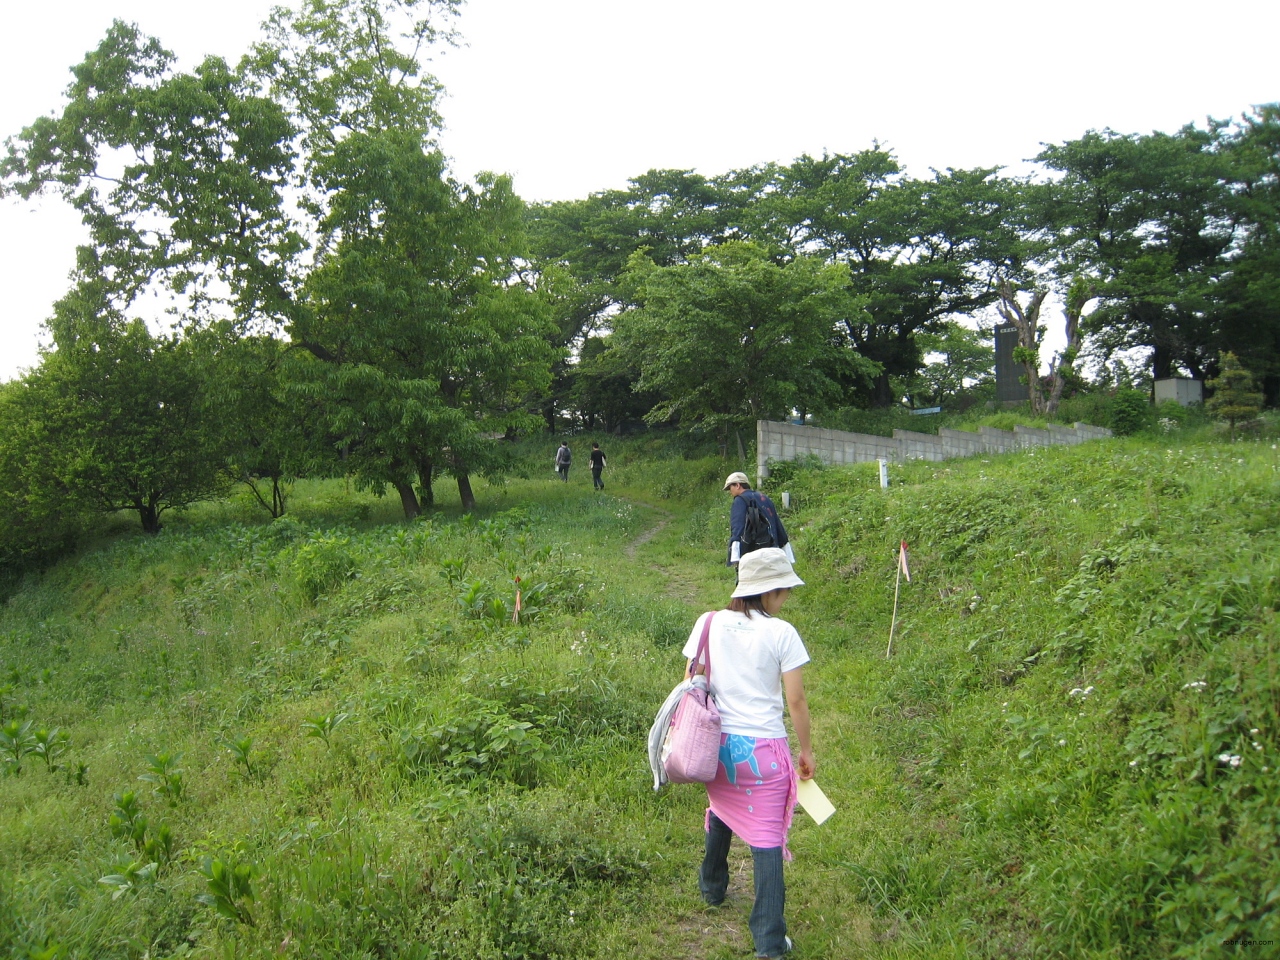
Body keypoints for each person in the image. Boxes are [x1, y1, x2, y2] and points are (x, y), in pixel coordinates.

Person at [682, 547, 813, 960]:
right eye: (784, 590)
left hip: (717, 747)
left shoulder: (708, 622)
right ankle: (770, 943)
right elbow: (796, 701)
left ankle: (712, 887)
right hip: (764, 753)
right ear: (771, 592)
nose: (786, 598)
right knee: (767, 839)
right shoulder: (782, 633)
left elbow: (690, 680)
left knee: (721, 806)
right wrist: (806, 750)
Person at [723, 472, 793, 567]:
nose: (730, 492)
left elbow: (737, 527)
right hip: (772, 550)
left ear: (737, 485)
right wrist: (787, 553)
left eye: (730, 487)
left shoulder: (740, 500)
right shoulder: (764, 498)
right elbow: (777, 524)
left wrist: (735, 556)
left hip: (752, 554)